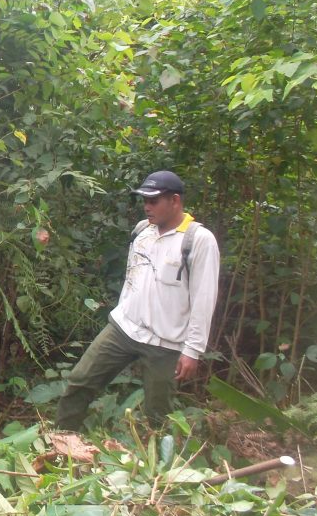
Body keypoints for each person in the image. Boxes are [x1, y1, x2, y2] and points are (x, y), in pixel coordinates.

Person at [55, 170, 220, 431]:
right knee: (80, 382)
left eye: (153, 201)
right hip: (124, 327)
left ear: (175, 201)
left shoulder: (199, 240)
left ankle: (158, 456)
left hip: (165, 342)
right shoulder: (142, 231)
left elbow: (204, 298)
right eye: (144, 200)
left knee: (159, 414)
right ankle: (61, 439)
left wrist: (193, 350)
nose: (146, 207)